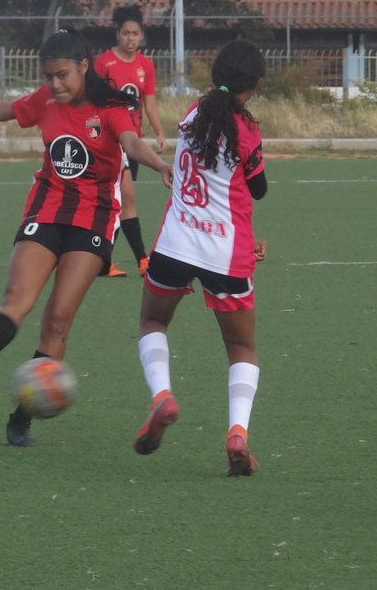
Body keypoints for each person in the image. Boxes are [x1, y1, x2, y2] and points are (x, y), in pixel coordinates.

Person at [0, 27, 172, 447]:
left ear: (84, 67)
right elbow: (3, 109)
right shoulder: (47, 100)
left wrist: (160, 164)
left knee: (57, 321)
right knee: (17, 299)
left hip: (94, 217)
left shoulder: (110, 109)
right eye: (49, 76)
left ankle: (23, 415)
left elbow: (130, 142)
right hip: (47, 207)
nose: (55, 84)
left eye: (63, 75)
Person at [132, 39, 268, 477]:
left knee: (153, 323)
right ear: (257, 85)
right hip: (226, 254)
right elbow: (258, 188)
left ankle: (162, 396)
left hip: (174, 245)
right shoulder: (247, 131)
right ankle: (237, 434)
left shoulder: (193, 114)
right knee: (241, 348)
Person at [94, 5, 166, 278]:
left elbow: (149, 101)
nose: (130, 38)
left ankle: (112, 260)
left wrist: (158, 131)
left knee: (122, 201)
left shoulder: (145, 64)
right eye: (126, 33)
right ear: (118, 34)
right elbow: (95, 100)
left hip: (133, 143)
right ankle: (139, 260)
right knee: (123, 200)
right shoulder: (104, 63)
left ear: (141, 35)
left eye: (135, 33)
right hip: (111, 143)